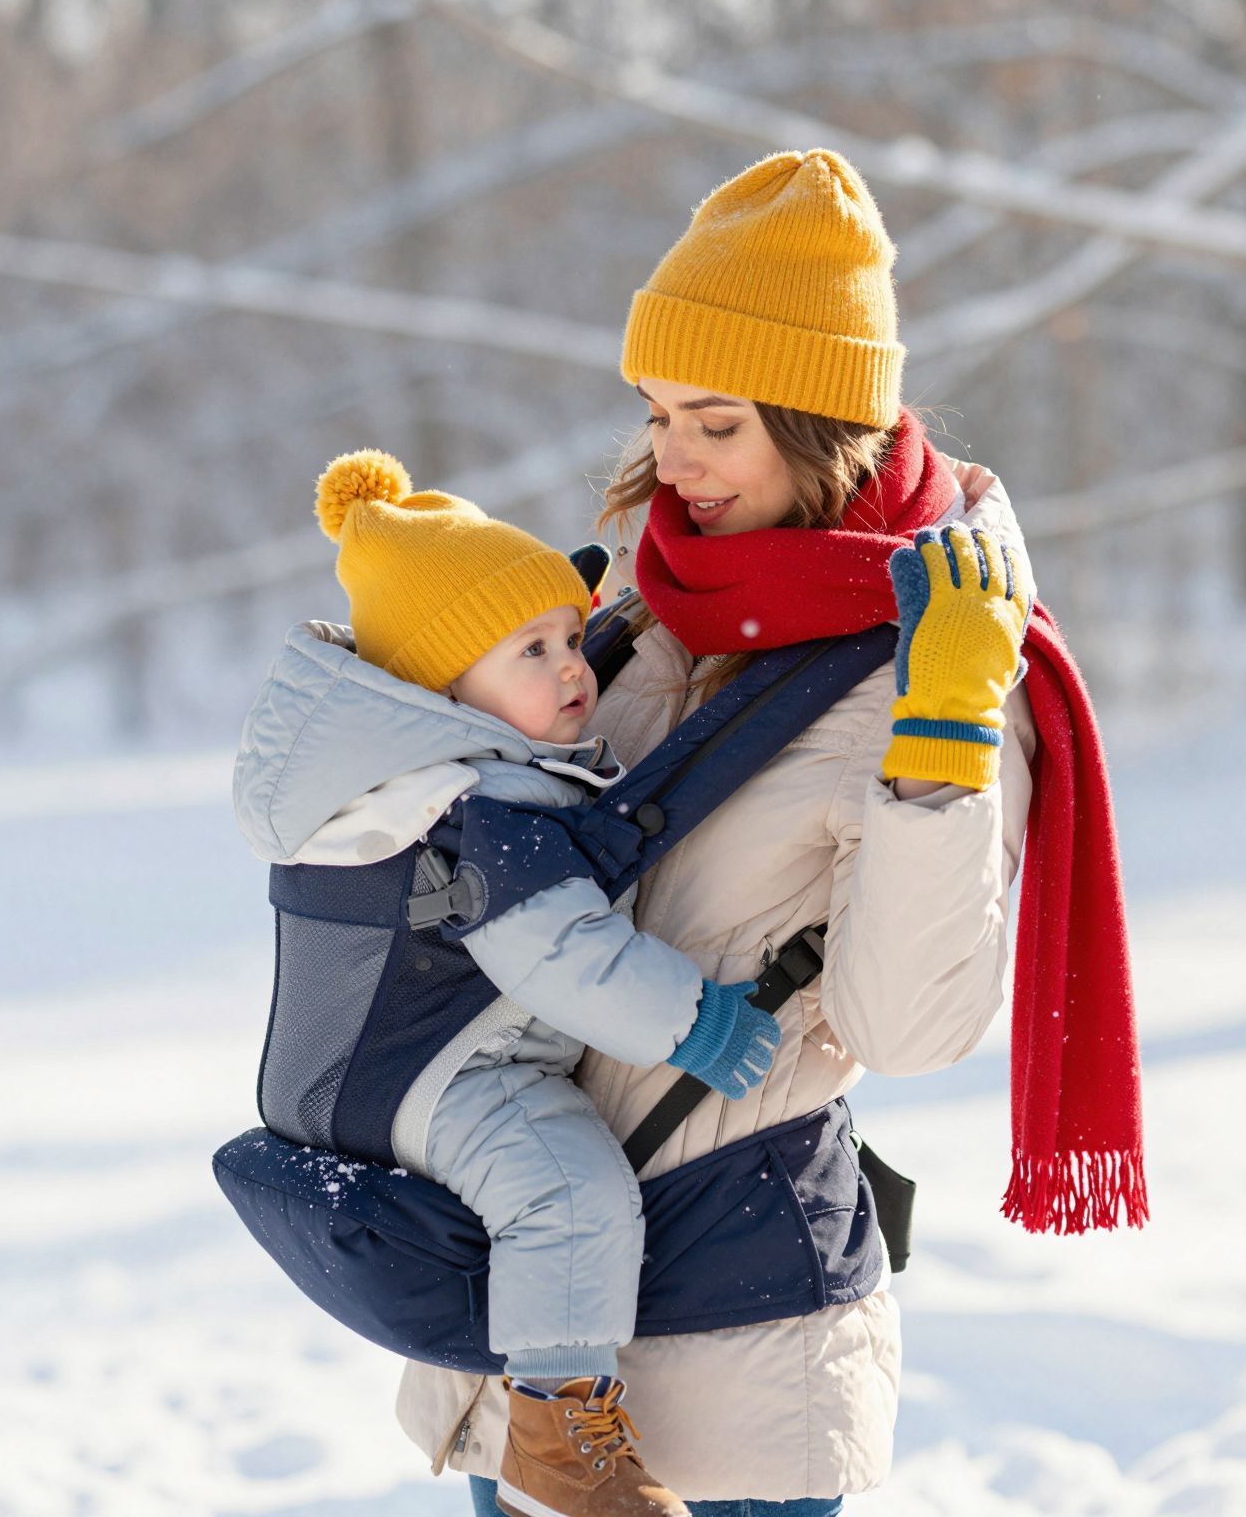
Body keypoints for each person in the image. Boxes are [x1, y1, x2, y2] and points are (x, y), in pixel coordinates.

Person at [391, 148, 1147, 1517]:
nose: (671, 461)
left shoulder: (945, 666)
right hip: (547, 1329)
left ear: (822, 421)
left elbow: (911, 1030)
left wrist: (942, 735)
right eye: (658, 414)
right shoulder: (636, 606)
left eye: (716, 423)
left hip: (738, 1343)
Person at [235, 449, 791, 1517]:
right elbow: (566, 958)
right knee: (567, 1190)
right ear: (448, 690)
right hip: (432, 1077)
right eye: (529, 650)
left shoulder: (426, 781)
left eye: (571, 637)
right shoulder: (478, 812)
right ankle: (555, 1432)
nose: (572, 667)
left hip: (376, 1065)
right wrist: (696, 1025)